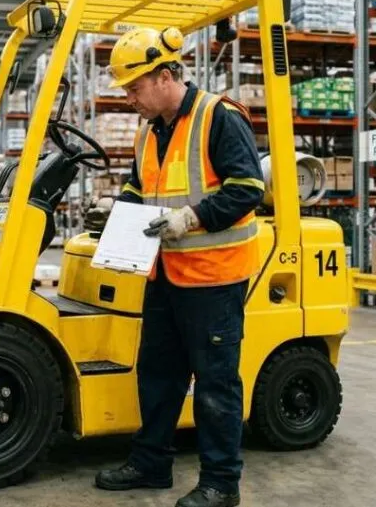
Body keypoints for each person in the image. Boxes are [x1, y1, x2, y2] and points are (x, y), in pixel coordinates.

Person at [91, 26, 265, 507]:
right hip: (165, 275)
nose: (130, 99)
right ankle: (151, 464)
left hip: (213, 278)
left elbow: (248, 188)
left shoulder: (219, 117)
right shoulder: (151, 131)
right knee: (158, 375)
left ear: (166, 75)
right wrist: (120, 214)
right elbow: (138, 187)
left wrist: (189, 218)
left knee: (215, 383)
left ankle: (221, 484)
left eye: (135, 88)